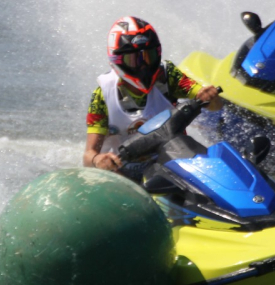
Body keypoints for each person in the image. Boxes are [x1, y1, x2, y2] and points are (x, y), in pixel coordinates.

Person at [84, 16, 221, 175]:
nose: (143, 66)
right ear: (117, 60)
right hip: (121, 173)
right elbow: (88, 156)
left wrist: (212, 98)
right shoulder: (102, 95)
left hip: (171, 163)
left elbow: (214, 106)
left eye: (149, 56)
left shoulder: (168, 75)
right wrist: (98, 160)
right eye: (134, 59)